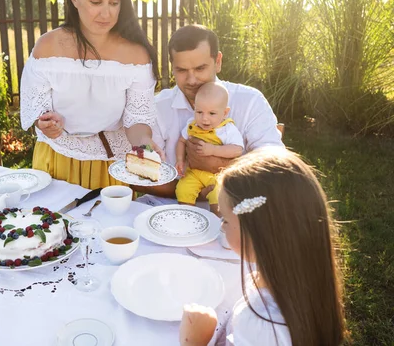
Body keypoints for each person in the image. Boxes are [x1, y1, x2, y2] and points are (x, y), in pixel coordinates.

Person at [179, 148, 346, 346]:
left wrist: (196, 340)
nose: (221, 226)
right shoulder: (309, 283)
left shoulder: (259, 324)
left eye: (225, 220)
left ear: (255, 234)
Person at [20, 0, 160, 189]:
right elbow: (37, 108)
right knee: (53, 225)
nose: (106, 13)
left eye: (114, 2)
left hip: (112, 166)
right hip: (56, 158)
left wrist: (144, 146)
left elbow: (137, 118)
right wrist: (45, 122)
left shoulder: (136, 55)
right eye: (96, 1)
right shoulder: (48, 47)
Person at [136, 24, 284, 202]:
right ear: (172, 67)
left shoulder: (250, 101)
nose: (191, 80)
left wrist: (220, 165)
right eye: (182, 70)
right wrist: (194, 192)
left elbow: (274, 165)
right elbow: (144, 175)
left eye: (200, 68)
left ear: (218, 62)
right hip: (166, 208)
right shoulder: (158, 106)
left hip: (233, 209)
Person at [175, 82, 243, 215]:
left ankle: (218, 222)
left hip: (217, 175)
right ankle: (187, 216)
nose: (204, 118)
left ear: (224, 113)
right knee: (183, 189)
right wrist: (180, 160)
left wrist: (213, 150)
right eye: (199, 112)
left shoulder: (227, 129)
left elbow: (237, 149)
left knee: (219, 194)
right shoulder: (191, 125)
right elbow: (181, 141)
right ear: (194, 108)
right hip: (194, 172)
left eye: (212, 113)